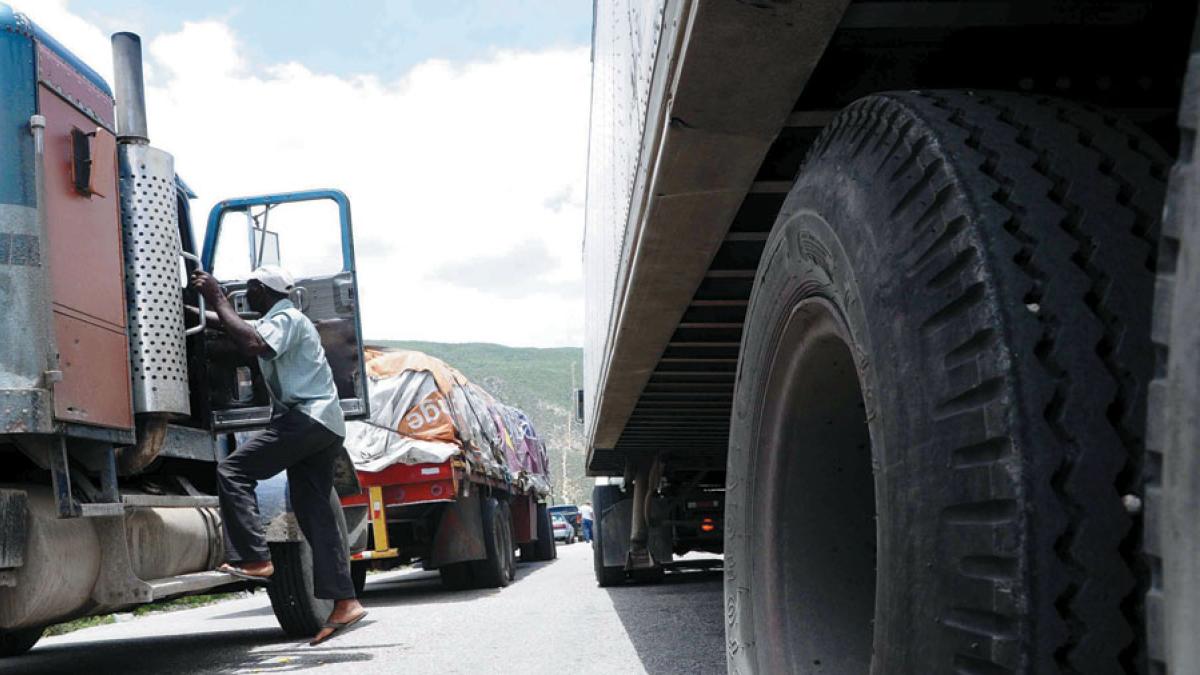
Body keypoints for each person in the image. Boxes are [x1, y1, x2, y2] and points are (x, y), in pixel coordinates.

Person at [190, 265, 367, 646]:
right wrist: (199, 312)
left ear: (259, 289)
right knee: (315, 513)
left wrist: (219, 297)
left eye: (249, 291)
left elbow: (253, 343)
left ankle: (255, 556)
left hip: (308, 419)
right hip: (326, 426)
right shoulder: (281, 318)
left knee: (234, 471)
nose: (245, 298)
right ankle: (345, 601)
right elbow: (237, 327)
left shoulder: (285, 318)